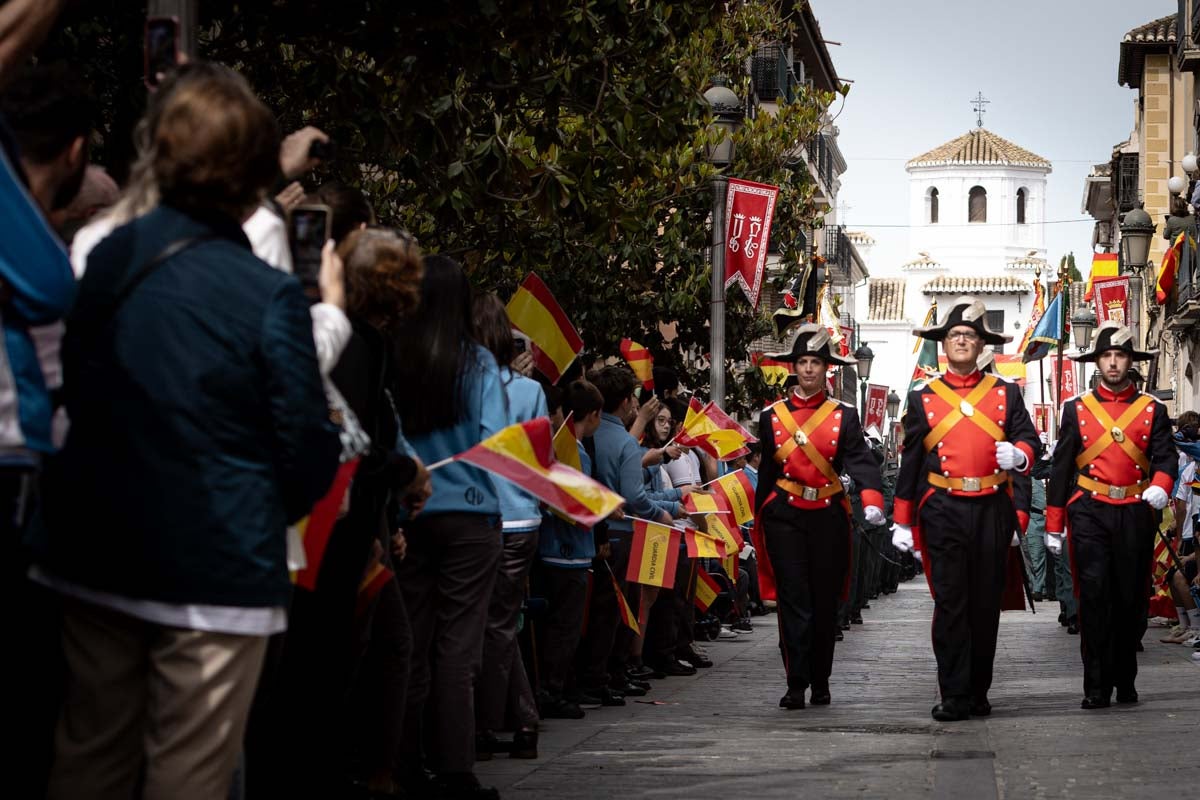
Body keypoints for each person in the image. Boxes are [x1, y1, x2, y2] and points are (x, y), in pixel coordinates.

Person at [30, 64, 341, 799]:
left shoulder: (108, 258)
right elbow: (303, 447)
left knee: (89, 760)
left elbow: (77, 383)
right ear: (250, 170)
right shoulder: (266, 295)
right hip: (218, 565)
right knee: (188, 778)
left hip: (100, 548)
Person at [391, 255, 507, 800]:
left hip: (411, 515)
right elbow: (495, 442)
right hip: (471, 515)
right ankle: (457, 767)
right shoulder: (478, 364)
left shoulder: (398, 359)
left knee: (410, 641)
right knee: (458, 645)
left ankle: (405, 762)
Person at [892, 297, 1039, 722]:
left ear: (980, 346)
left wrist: (1020, 455)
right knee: (951, 603)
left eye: (969, 336)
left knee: (984, 605)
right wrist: (903, 519)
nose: (961, 341)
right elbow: (912, 462)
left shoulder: (1006, 393)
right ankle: (954, 693)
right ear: (944, 344)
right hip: (942, 508)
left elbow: (1030, 441)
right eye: (955, 335)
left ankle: (978, 689)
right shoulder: (922, 398)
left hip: (992, 507)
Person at [751, 324, 884, 710]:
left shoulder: (844, 415)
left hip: (827, 516)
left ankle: (821, 679)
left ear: (828, 368)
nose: (809, 369)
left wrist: (873, 498)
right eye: (803, 361)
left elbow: (860, 460)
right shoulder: (771, 416)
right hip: (785, 518)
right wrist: (761, 518)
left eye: (816, 362)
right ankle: (796, 682)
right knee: (794, 600)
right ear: (793, 367)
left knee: (825, 603)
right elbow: (767, 477)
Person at [1046, 322, 1177, 708]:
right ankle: (1096, 685)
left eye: (1120, 355)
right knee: (1095, 596)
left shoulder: (1153, 409)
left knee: (1131, 598)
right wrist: (1054, 524)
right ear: (1097, 362)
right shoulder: (1076, 409)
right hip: (1090, 510)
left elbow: (1166, 455)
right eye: (1107, 356)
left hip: (1135, 510)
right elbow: (1062, 468)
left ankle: (1126, 680)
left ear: (1131, 362)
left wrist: (1162, 483)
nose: (1114, 363)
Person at [473, 292, 547, 761]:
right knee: (498, 624)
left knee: (492, 625)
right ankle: (522, 718)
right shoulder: (528, 391)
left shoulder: (464, 387)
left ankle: (482, 725)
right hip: (522, 516)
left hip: (488, 514)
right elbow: (541, 461)